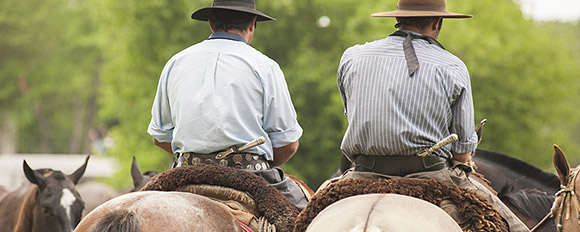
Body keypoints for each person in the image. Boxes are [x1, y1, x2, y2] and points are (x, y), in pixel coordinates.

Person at [336, 0, 529, 231]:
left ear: (397, 19)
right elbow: (462, 151)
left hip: (362, 173)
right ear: (438, 22)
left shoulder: (352, 57)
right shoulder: (452, 66)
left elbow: (352, 114)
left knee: (306, 214)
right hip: (432, 175)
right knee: (511, 226)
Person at [147, 0, 307, 211]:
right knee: (308, 215)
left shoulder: (175, 63)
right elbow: (289, 144)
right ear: (252, 23)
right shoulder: (265, 66)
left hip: (186, 170)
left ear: (211, 23)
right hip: (250, 173)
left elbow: (160, 137)